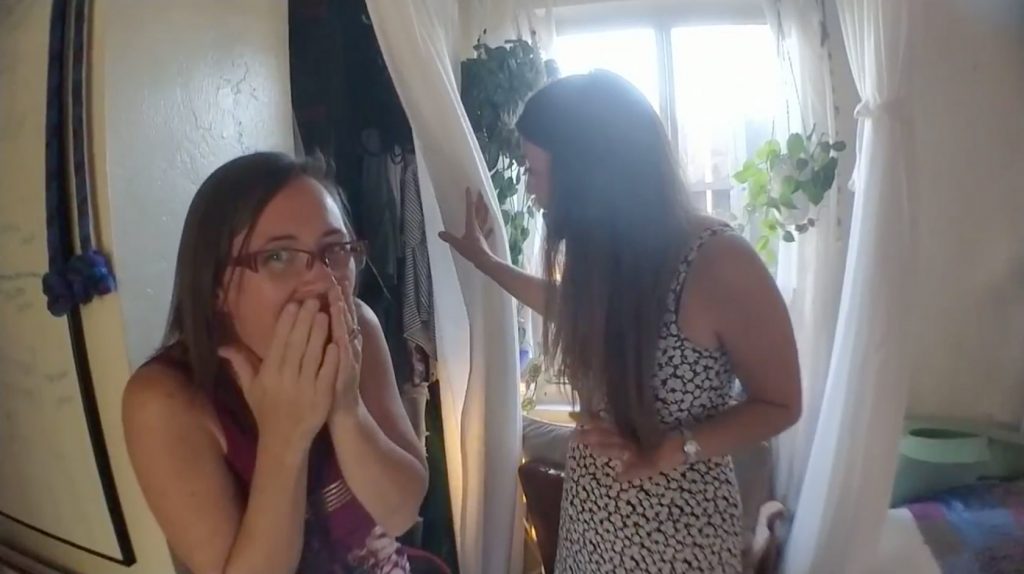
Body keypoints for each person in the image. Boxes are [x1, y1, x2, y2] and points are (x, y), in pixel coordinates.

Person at [440, 71, 802, 573]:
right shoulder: (607, 257)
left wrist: (672, 449)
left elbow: (782, 404)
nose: (530, 187)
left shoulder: (719, 261)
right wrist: (486, 263)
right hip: (590, 526)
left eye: (533, 169)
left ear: (585, 171)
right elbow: (570, 307)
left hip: (677, 542)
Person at [122, 152, 430, 574]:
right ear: (216, 287)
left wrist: (346, 408)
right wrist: (284, 439)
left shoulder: (358, 327)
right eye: (278, 257)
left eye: (335, 250)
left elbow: (402, 511)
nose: (324, 279)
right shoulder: (164, 399)